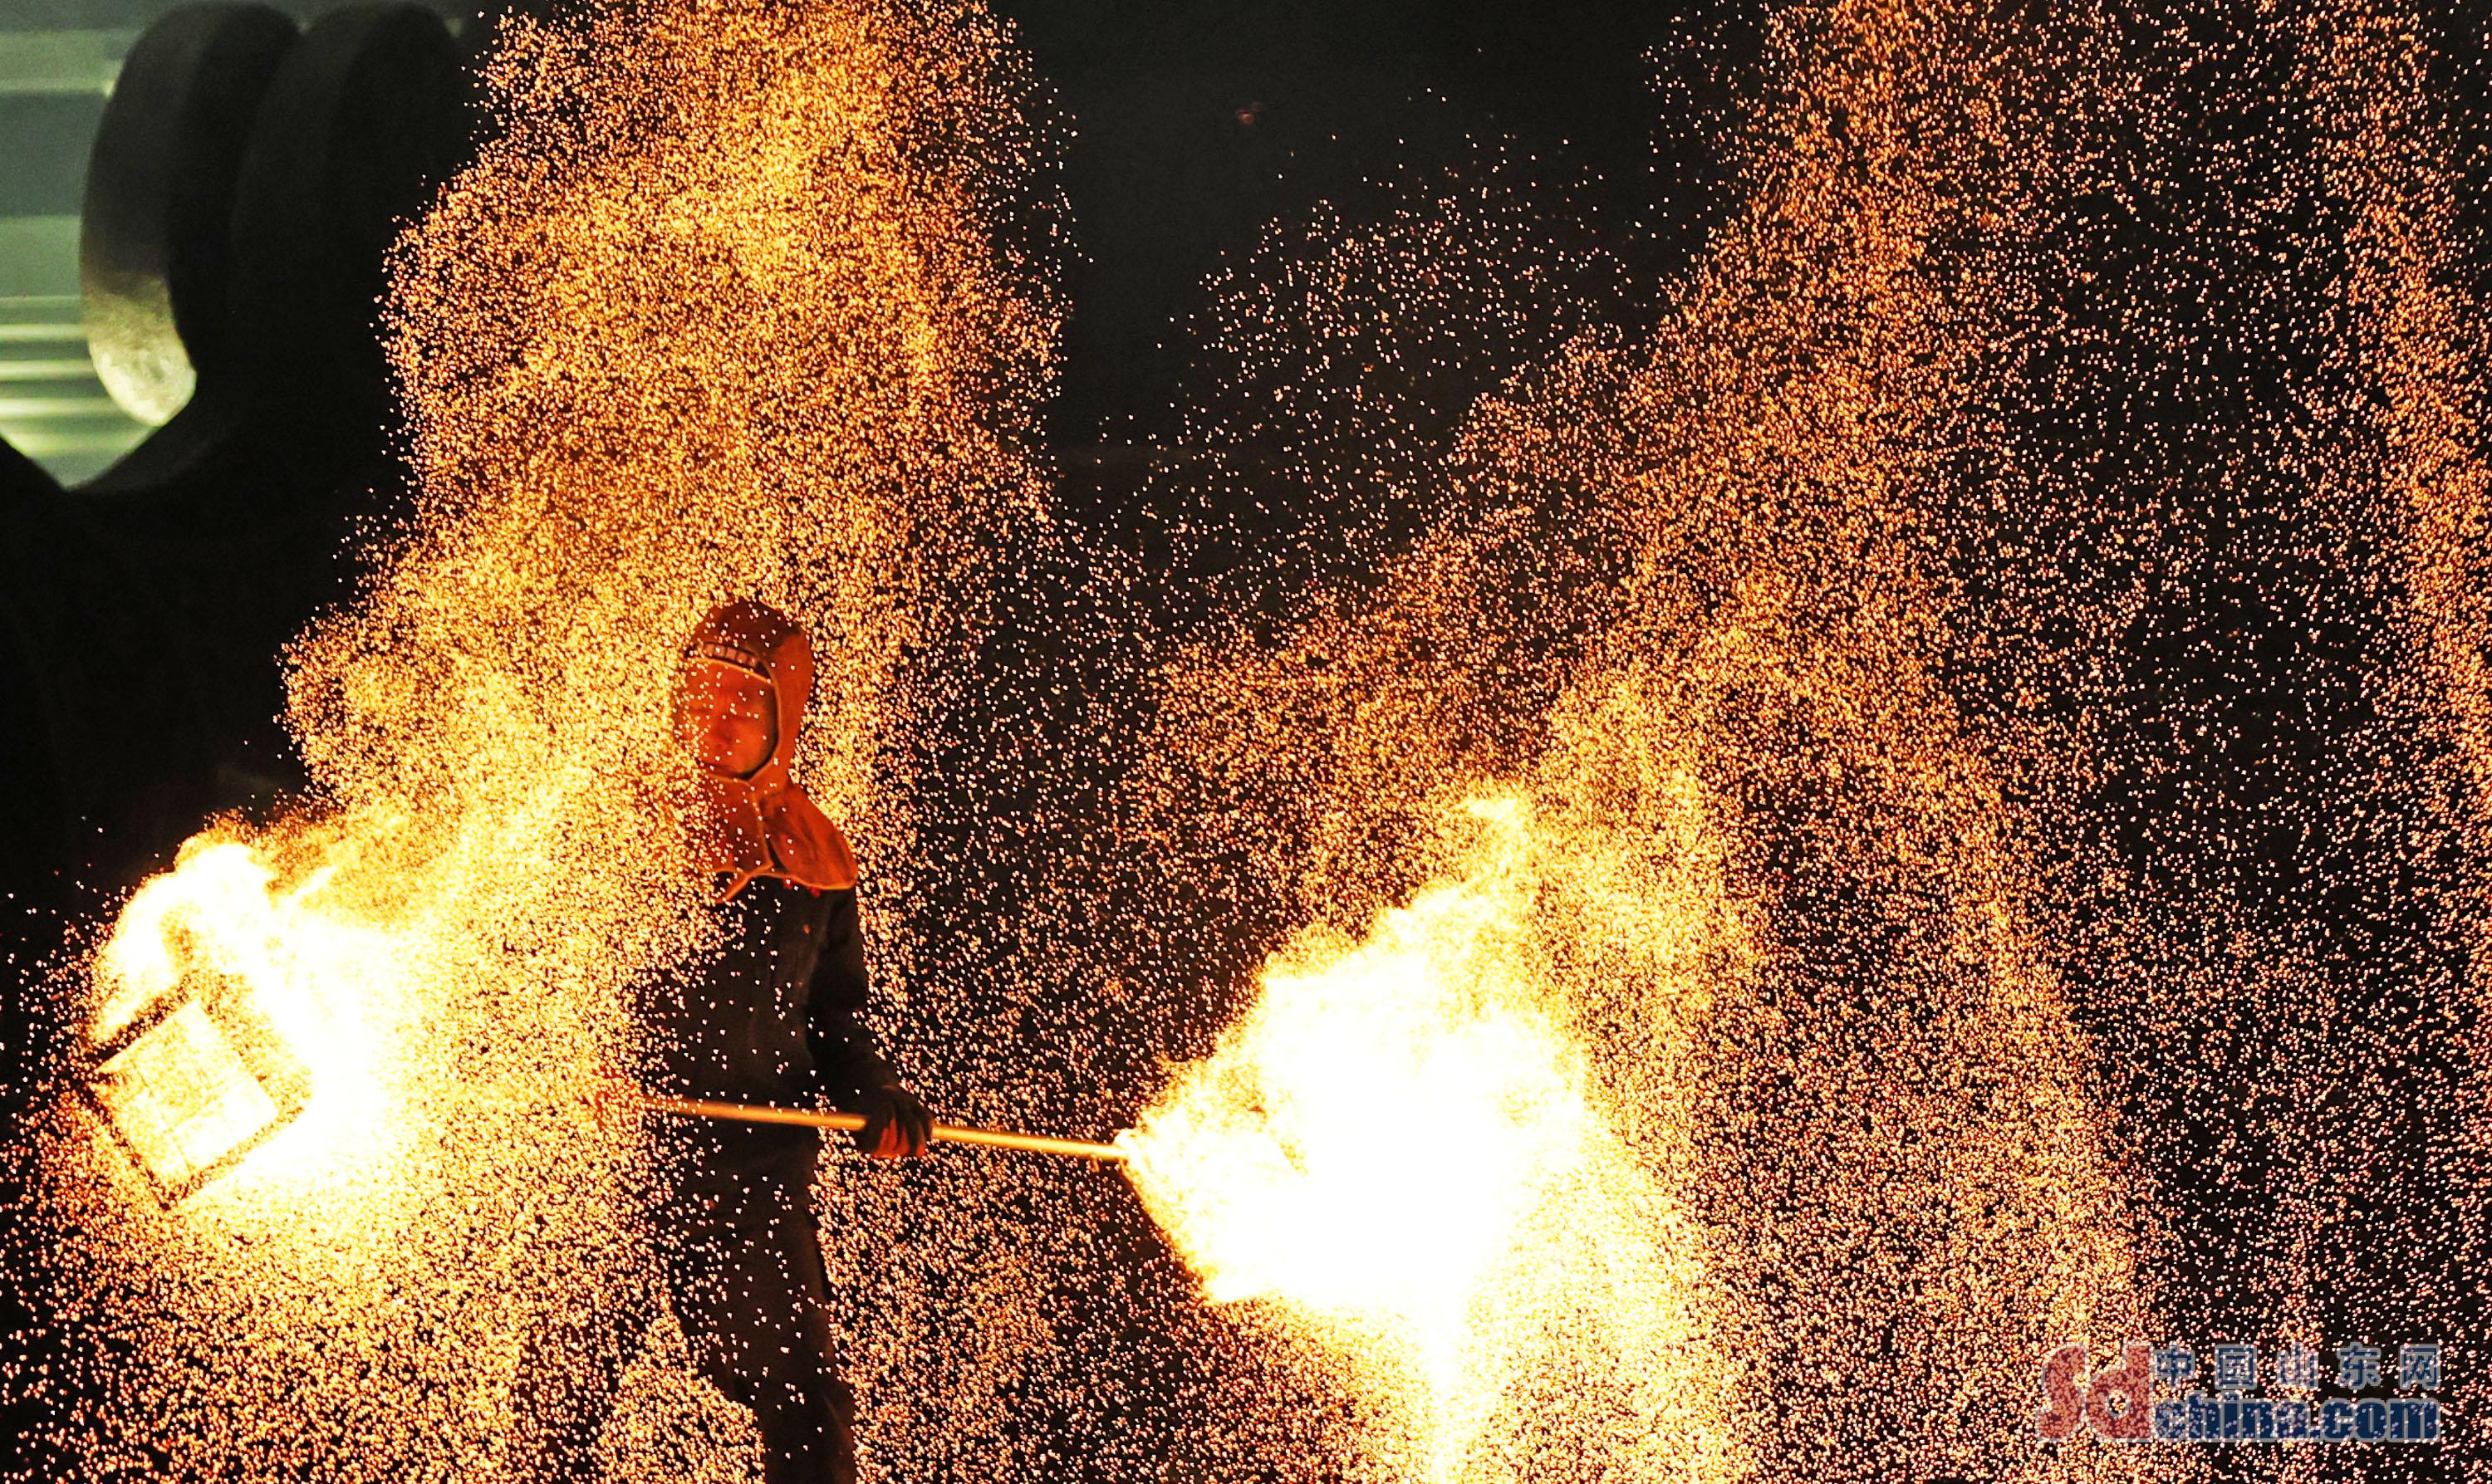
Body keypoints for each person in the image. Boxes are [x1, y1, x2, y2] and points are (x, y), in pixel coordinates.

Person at [516, 597, 932, 1484]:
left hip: (753, 1159)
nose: (716, 720)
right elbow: (553, 958)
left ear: (784, 719)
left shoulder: (818, 855)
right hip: (622, 1147)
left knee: (806, 1398)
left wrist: (872, 1095)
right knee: (557, 1391)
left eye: (744, 703)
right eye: (700, 697)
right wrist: (578, 1048)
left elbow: (836, 1016)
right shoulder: (621, 824)